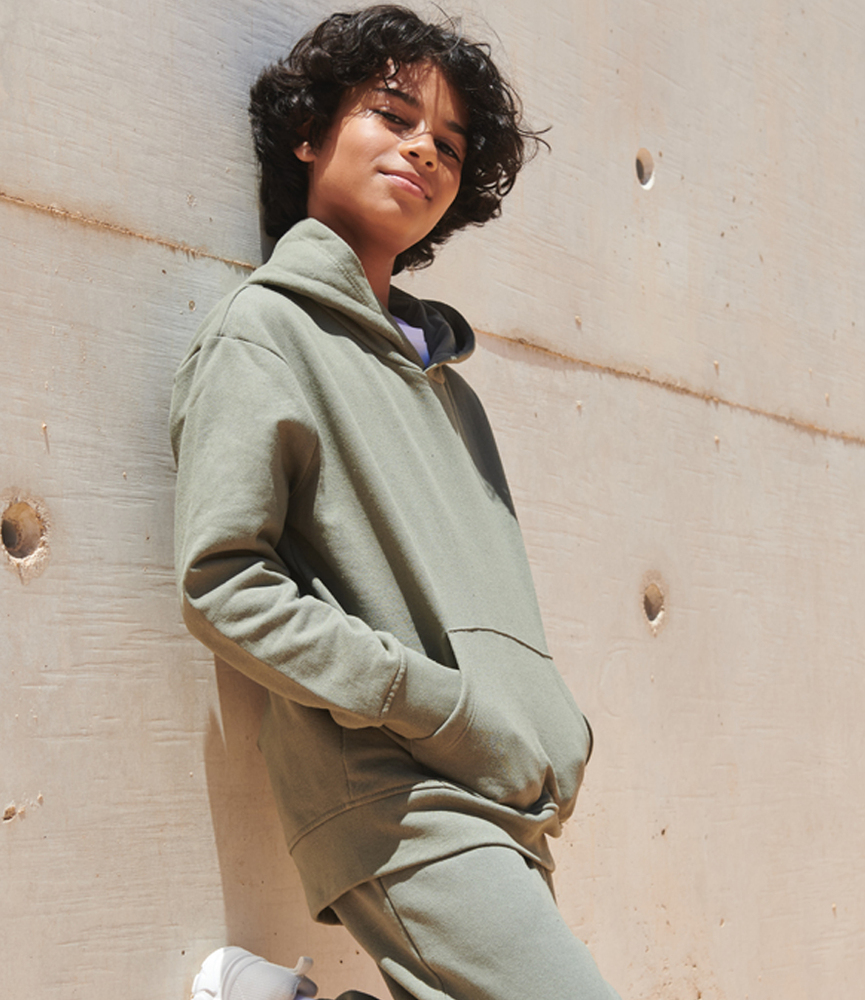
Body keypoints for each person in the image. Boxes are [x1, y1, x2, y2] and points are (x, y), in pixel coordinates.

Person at [171, 6, 621, 1000]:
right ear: (309, 133)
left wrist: (545, 725)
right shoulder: (264, 334)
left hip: (498, 793)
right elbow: (223, 584)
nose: (423, 149)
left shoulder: (450, 390)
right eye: (392, 114)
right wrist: (431, 702)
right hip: (393, 793)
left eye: (449, 145)